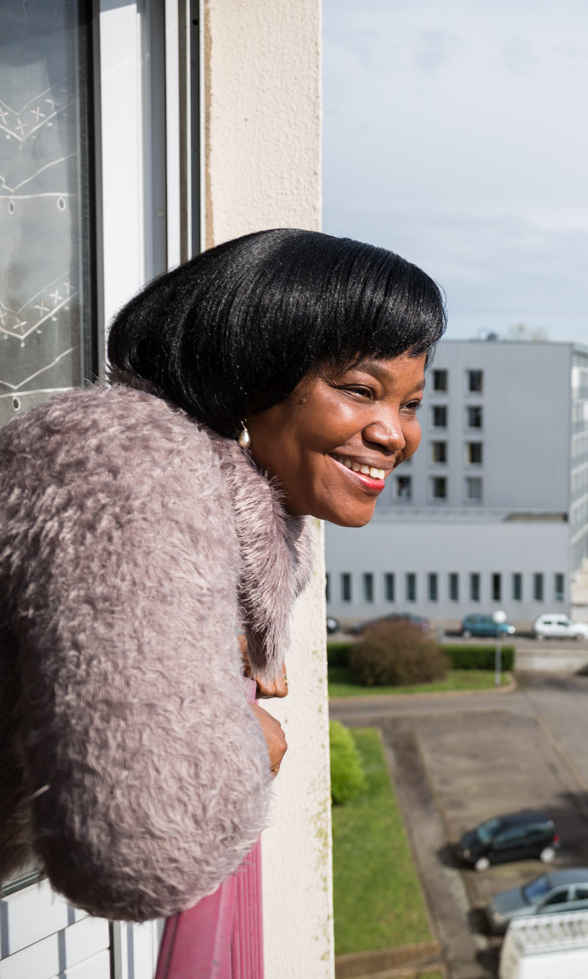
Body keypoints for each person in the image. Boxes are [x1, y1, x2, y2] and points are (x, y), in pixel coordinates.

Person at [0, 229, 445, 921]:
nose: (396, 434)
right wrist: (244, 744)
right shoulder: (127, 470)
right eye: (361, 390)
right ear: (252, 368)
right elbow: (143, 851)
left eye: (410, 404)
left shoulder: (221, 499)